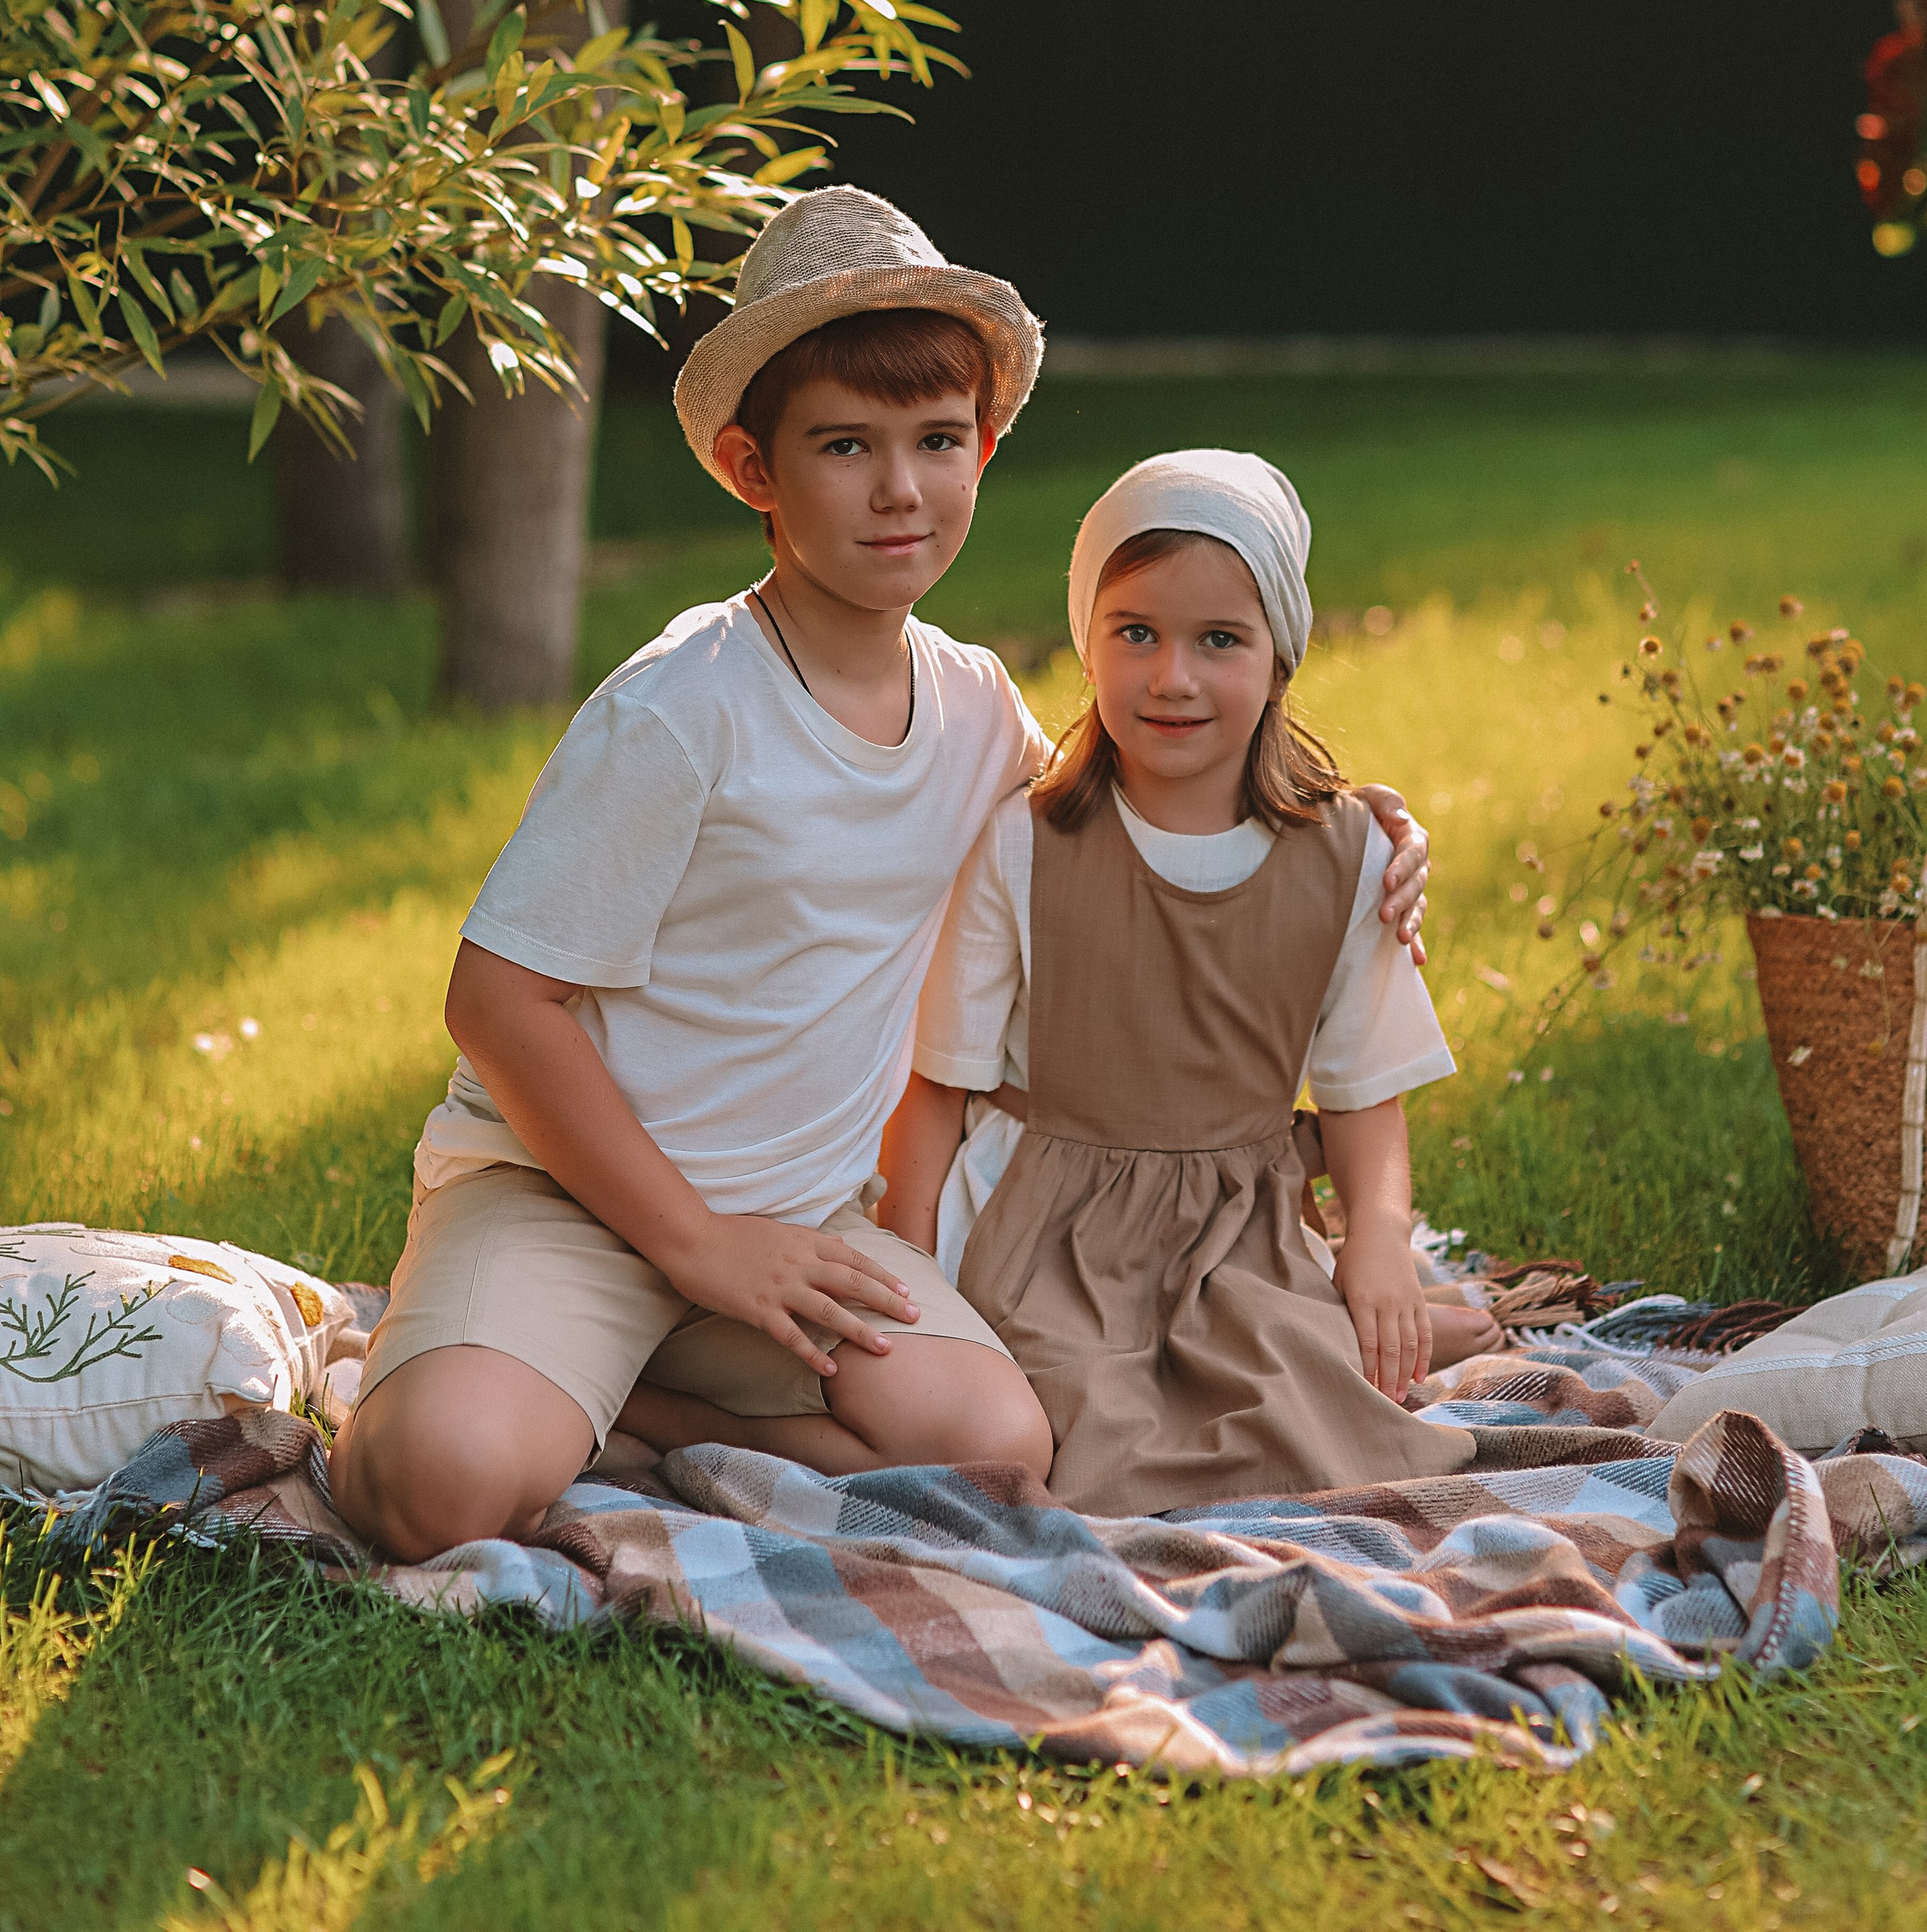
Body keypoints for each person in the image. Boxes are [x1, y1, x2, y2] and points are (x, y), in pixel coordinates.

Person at [330, 192, 1432, 1561]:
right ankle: (466, 1363)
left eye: (937, 442)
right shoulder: (683, 709)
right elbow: (498, 1003)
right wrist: (696, 1244)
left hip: (799, 1222)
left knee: (998, 1445)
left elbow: (1140, 816)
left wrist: (1351, 827)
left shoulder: (974, 711)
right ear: (752, 468)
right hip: (569, 1193)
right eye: (845, 445)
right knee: (436, 1488)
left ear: (983, 450)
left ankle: (646, 1417)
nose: (900, 489)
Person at [878, 450, 1487, 1515]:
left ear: (1280, 659)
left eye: (1220, 640)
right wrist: (913, 1277)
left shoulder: (1348, 858)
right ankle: (1346, 1328)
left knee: (1307, 1415)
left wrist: (1381, 1240)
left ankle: (1363, 1311)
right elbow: (937, 1089)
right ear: (1089, 642)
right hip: (1048, 1230)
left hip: (1238, 1226)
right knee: (1088, 1431)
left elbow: (1363, 1096)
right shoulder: (1026, 842)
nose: (1172, 677)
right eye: (1136, 634)